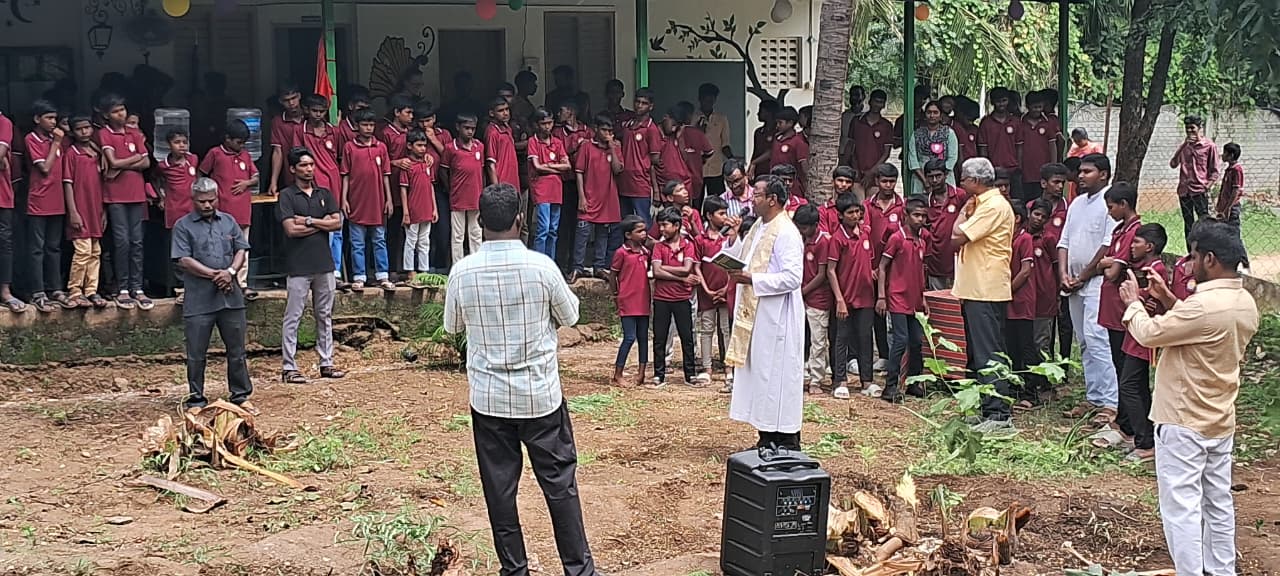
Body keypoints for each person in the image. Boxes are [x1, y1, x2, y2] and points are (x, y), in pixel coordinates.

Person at [442, 182, 601, 576]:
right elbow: (571, 317)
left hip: (489, 398)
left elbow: (452, 325)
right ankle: (579, 570)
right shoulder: (542, 267)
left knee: (499, 490)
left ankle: (515, 570)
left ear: (480, 222)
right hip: (540, 396)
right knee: (560, 485)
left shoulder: (462, 271)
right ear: (520, 220)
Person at [1118, 220, 1257, 576]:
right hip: (1218, 418)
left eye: (1193, 256)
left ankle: (1191, 571)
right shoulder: (1243, 302)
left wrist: (1134, 304)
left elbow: (1150, 335)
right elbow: (1199, 328)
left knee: (1181, 506)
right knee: (1218, 502)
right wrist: (1168, 299)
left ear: (1209, 259)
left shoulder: (1202, 306)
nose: (1189, 263)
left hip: (1182, 420)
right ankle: (1221, 570)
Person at [725, 175, 804, 449]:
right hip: (758, 315)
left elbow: (793, 277)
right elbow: (745, 260)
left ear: (772, 199)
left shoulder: (786, 232)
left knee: (777, 375)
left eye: (756, 195)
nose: (751, 199)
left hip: (778, 317)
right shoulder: (760, 225)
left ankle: (786, 440)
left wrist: (752, 280)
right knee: (760, 374)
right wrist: (734, 240)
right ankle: (765, 436)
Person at [172, 178, 255, 414]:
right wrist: (215, 275)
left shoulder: (228, 221)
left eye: (211, 200)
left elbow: (241, 249)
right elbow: (183, 260)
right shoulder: (183, 225)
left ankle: (240, 395)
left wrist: (230, 272)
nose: (207, 205)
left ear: (217, 198)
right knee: (196, 353)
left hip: (231, 297)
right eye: (202, 201)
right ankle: (196, 398)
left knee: (237, 350)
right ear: (193, 200)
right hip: (199, 298)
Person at [951, 157, 1015, 432]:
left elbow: (956, 236)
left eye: (964, 179)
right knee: (980, 351)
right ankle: (988, 407)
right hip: (977, 285)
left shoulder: (992, 206)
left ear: (975, 181)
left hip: (985, 287)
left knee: (989, 352)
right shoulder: (985, 203)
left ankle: (998, 414)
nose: (961, 183)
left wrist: (963, 214)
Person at [1057, 153, 1119, 421]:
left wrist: (1083, 274)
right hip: (1073, 284)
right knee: (1083, 341)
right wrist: (1063, 273)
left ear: (1103, 174)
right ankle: (1093, 397)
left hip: (1096, 282)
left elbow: (1107, 245)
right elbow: (1064, 242)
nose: (1080, 176)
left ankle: (1110, 402)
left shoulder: (1110, 205)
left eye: (1087, 171)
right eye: (1080, 172)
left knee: (1098, 340)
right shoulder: (1077, 203)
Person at [278, 147, 346, 384]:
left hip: (324, 263)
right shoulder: (287, 195)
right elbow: (290, 230)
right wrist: (322, 223)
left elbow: (337, 223)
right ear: (293, 169)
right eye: (304, 165)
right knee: (293, 315)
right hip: (298, 265)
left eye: (311, 165)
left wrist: (307, 220)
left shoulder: (324, 193)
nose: (309, 169)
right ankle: (289, 367)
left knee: (325, 315)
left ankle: (326, 363)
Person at [1114, 222, 1168, 462]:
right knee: (1136, 386)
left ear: (1150, 246)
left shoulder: (1154, 272)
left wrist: (1134, 299)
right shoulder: (1145, 268)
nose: (1132, 246)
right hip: (1134, 335)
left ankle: (1145, 443)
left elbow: (1151, 307)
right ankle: (1143, 437)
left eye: (1137, 242)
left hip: (1143, 338)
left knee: (1129, 386)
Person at [96, 93, 152, 310]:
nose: (121, 114)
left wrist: (120, 166)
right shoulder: (104, 134)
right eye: (116, 111)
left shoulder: (135, 132)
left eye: (122, 109)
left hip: (136, 194)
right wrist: (131, 159)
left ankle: (137, 287)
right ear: (106, 115)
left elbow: (146, 161)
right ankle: (122, 288)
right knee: (122, 241)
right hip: (115, 195)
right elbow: (111, 160)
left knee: (137, 241)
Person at [1097, 182, 1142, 429]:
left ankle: (1128, 424)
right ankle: (1123, 420)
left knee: (1126, 369)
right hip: (1112, 309)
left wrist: (1107, 263)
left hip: (1123, 309)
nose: (1109, 212)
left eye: (1111, 206)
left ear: (1124, 204)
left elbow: (1113, 273)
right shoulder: (1119, 230)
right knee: (1118, 363)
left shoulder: (1134, 232)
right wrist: (1106, 262)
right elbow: (1104, 265)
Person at [877, 196, 930, 403]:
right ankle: (890, 386)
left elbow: (920, 271)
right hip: (897, 296)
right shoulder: (897, 238)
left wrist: (923, 297)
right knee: (901, 340)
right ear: (905, 215)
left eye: (923, 216)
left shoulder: (921, 241)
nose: (920, 219)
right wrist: (882, 296)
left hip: (915, 298)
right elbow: (882, 267)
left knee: (917, 342)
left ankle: (913, 383)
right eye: (916, 215)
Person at [200, 119, 260, 298]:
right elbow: (202, 174)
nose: (241, 146)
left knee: (243, 248)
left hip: (242, 211)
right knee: (219, 247)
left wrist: (246, 183)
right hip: (222, 211)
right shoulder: (215, 153)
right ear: (227, 138)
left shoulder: (246, 155)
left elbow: (255, 175)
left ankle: (241, 284)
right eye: (238, 142)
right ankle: (220, 281)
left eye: (243, 143)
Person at [293, 93, 346, 287]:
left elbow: (340, 157)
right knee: (316, 230)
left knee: (337, 230)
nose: (318, 115)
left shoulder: (334, 131)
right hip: (313, 187)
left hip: (334, 184)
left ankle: (336, 272)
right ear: (307, 110)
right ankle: (317, 272)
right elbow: (296, 156)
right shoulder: (301, 131)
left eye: (322, 111)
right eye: (314, 111)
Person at [340, 108, 394, 291]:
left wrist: (389, 199)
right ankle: (359, 277)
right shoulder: (349, 147)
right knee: (357, 242)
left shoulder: (381, 148)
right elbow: (345, 175)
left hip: (378, 202)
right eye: (365, 124)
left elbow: (386, 175)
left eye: (371, 125)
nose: (369, 128)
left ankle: (382, 275)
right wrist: (344, 199)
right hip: (356, 201)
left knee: (379, 239)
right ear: (357, 126)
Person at [827, 194, 874, 400]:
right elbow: (830, 270)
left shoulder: (864, 234)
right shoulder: (838, 238)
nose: (856, 216)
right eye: (850, 212)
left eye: (858, 211)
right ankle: (840, 380)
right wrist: (839, 299)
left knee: (865, 338)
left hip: (866, 296)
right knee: (841, 338)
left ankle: (867, 381)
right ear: (840, 215)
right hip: (845, 297)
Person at [25, 100, 69, 312]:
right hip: (38, 201)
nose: (53, 122)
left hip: (57, 201)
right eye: (49, 118)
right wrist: (56, 144)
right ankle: (37, 291)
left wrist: (60, 139)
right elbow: (44, 167)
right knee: (37, 249)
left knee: (54, 247)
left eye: (55, 118)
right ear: (37, 119)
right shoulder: (31, 139)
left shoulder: (57, 138)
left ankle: (56, 289)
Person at [650, 206, 700, 387]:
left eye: (665, 225)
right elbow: (656, 271)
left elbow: (687, 268)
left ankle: (690, 373)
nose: (662, 229)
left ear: (677, 225)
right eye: (660, 225)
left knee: (687, 336)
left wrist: (665, 269)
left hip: (682, 297)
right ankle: (659, 374)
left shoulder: (689, 245)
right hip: (662, 298)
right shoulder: (658, 246)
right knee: (660, 337)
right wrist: (682, 277)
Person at [63, 115, 108, 309]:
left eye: (87, 128)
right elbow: (67, 184)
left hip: (95, 209)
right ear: (73, 132)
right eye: (79, 129)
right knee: (82, 251)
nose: (84, 132)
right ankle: (75, 290)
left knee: (96, 251)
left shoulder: (97, 153)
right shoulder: (71, 153)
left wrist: (104, 211)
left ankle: (91, 290)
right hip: (80, 209)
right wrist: (73, 212)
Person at [572, 114, 623, 281]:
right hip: (589, 196)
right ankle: (577, 267)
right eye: (604, 130)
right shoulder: (586, 147)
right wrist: (582, 197)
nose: (607, 133)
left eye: (610, 130)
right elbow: (579, 172)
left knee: (603, 234)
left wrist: (612, 148)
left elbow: (617, 170)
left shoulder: (615, 147)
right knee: (583, 233)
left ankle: (599, 266)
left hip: (607, 198)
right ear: (596, 129)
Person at [863, 164, 902, 369]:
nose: (888, 185)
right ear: (877, 181)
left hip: (895, 268)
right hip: (872, 266)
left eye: (892, 181)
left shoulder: (902, 206)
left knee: (894, 308)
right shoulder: (868, 205)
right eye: (885, 181)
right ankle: (881, 354)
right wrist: (871, 266)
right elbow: (864, 235)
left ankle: (893, 356)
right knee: (876, 310)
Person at [695, 196, 736, 385]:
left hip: (726, 290)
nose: (725, 217)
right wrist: (706, 289)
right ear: (710, 216)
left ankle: (729, 368)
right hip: (707, 292)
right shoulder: (700, 240)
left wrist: (727, 288)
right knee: (706, 329)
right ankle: (707, 368)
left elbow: (735, 266)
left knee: (727, 330)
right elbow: (696, 268)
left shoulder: (728, 239)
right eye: (721, 213)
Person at [793, 204, 833, 395]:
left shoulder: (823, 241)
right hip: (802, 296)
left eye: (805, 227)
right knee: (800, 338)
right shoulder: (800, 240)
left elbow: (822, 274)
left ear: (815, 225)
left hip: (818, 298)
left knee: (818, 340)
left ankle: (816, 379)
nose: (801, 230)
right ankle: (800, 375)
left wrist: (802, 291)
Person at [1006, 202, 1041, 409]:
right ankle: (1015, 387)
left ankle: (1031, 391)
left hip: (1021, 300)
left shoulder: (1025, 238)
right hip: (1007, 301)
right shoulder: (1006, 238)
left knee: (1026, 346)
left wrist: (1009, 290)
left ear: (1017, 218)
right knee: (1011, 347)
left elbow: (1025, 269)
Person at [610, 214, 651, 387]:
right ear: (628, 235)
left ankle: (641, 373)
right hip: (627, 299)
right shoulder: (621, 253)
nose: (644, 234)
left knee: (643, 337)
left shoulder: (645, 252)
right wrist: (615, 294)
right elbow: (613, 275)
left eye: (644, 230)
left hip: (643, 300)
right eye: (639, 231)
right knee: (629, 337)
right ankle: (618, 373)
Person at [442, 113, 486, 266]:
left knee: (476, 233)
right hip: (458, 197)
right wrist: (450, 189)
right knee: (458, 235)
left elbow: (481, 171)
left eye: (473, 129)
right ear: (458, 127)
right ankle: (458, 266)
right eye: (466, 128)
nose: (470, 132)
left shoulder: (479, 146)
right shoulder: (450, 148)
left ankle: (477, 265)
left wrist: (483, 191)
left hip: (476, 196)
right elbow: (443, 171)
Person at [528, 107, 571, 260]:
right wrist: (556, 167)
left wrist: (549, 166)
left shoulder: (557, 143)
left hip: (556, 190)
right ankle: (540, 263)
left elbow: (568, 166)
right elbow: (537, 166)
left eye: (550, 123)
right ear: (536, 125)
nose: (547, 126)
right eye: (543, 123)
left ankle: (550, 263)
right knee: (543, 228)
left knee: (553, 229)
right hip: (541, 190)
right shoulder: (533, 141)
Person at [382, 94, 417, 277]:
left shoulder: (411, 132)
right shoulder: (386, 133)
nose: (411, 116)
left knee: (412, 233)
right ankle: (391, 269)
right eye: (408, 112)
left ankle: (410, 268)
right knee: (393, 230)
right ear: (397, 112)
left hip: (412, 189)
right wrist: (396, 162)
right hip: (393, 189)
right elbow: (381, 158)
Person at [1170, 115, 1220, 241]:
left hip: (1199, 190)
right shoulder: (1184, 146)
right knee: (1188, 223)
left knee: (1204, 221)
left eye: (1192, 128)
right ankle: (1191, 253)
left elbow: (1215, 171)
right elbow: (1173, 164)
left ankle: (1206, 247)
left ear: (1199, 128)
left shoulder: (1209, 146)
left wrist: (1206, 186)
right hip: (1184, 190)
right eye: (1187, 128)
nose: (1190, 131)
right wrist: (1183, 146)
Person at [618, 89, 662, 224]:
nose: (639, 105)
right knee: (625, 223)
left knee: (643, 223)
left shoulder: (651, 129)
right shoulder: (627, 126)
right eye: (637, 102)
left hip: (641, 183)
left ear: (651, 106)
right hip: (624, 182)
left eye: (644, 103)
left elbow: (654, 160)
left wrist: (656, 190)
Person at [399, 130, 438, 279]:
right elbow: (403, 189)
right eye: (419, 145)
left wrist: (434, 208)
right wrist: (406, 212)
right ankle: (409, 270)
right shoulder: (407, 166)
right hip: (413, 209)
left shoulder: (427, 164)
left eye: (424, 145)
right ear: (409, 146)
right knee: (411, 241)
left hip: (427, 208)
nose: (422, 149)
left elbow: (431, 186)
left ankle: (423, 269)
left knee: (424, 241)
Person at [1027, 199, 1061, 369]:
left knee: (1042, 341)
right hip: (1026, 296)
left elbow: (1056, 267)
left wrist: (1057, 294)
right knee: (1027, 340)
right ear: (1029, 213)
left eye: (1043, 217)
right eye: (1036, 214)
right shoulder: (1021, 236)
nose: (1038, 219)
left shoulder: (1048, 239)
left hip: (1044, 296)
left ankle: (1046, 379)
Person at [923, 159, 966, 290]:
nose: (935, 180)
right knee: (938, 305)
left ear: (946, 175)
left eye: (938, 176)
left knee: (959, 304)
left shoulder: (960, 195)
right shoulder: (926, 201)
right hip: (935, 263)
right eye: (931, 177)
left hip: (958, 260)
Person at [753, 107, 808, 199]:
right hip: (774, 182)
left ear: (790, 123)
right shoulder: (777, 138)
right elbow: (771, 153)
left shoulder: (798, 141)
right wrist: (754, 162)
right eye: (777, 122)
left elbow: (804, 166)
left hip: (790, 185)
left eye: (780, 123)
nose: (777, 125)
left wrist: (806, 185)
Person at [905, 101, 958, 196]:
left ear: (941, 115)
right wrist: (925, 181)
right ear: (925, 115)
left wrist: (939, 178)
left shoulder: (949, 133)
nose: (932, 115)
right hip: (921, 177)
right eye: (929, 112)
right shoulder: (917, 134)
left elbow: (952, 158)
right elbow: (913, 160)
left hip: (945, 176)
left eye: (935, 112)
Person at [977, 88, 1021, 201]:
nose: (1001, 104)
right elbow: (983, 150)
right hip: (994, 170)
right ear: (992, 102)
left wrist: (1019, 166)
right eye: (998, 101)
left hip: (1013, 169)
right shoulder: (986, 123)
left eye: (1004, 100)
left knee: (1015, 201)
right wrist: (986, 169)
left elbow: (1019, 146)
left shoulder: (1015, 121)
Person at [1019, 92, 1064, 202]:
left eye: (1040, 107)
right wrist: (1019, 166)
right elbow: (1019, 147)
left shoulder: (1048, 123)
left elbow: (1053, 145)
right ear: (1028, 106)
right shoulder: (1020, 123)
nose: (1037, 110)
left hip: (1044, 169)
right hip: (1027, 171)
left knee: (1044, 200)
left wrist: (1053, 165)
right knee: (1027, 199)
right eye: (1034, 107)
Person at [695, 83, 733, 201]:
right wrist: (698, 131)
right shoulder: (692, 118)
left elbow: (725, 144)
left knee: (716, 202)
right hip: (697, 169)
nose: (708, 103)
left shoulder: (721, 118)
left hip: (716, 169)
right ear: (700, 99)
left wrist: (732, 160)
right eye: (706, 100)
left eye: (711, 100)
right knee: (696, 202)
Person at [1215, 142, 1248, 270]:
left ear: (1231, 155)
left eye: (1225, 153)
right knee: (1225, 236)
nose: (1223, 155)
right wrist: (1220, 208)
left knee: (1234, 236)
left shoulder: (1236, 170)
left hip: (1232, 209)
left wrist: (1228, 208)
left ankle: (1244, 264)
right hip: (1224, 209)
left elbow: (1235, 191)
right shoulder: (1229, 170)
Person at [268, 83, 305, 196]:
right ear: (280, 101)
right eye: (286, 100)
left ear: (299, 96)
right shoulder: (278, 122)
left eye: (294, 98)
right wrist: (273, 182)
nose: (291, 103)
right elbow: (277, 152)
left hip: (315, 174)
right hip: (291, 176)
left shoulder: (312, 117)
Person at [0, 107, 18, 312]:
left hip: (2, 196)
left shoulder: (4, 123)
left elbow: (1, 155)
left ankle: (5, 291)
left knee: (4, 244)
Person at [818, 166, 857, 234]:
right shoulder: (823, 210)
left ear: (852, 185)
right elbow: (824, 237)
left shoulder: (858, 208)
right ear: (833, 182)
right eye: (840, 180)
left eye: (848, 182)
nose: (844, 184)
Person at [749, 100, 780, 170]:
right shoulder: (758, 132)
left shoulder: (778, 132)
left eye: (761, 111)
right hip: (759, 170)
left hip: (773, 169)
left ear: (769, 113)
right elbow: (756, 152)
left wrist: (754, 162)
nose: (757, 113)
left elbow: (771, 152)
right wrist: (751, 166)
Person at [510, 70, 538, 134]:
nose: (535, 86)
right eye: (532, 83)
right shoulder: (518, 103)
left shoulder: (525, 101)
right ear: (524, 84)